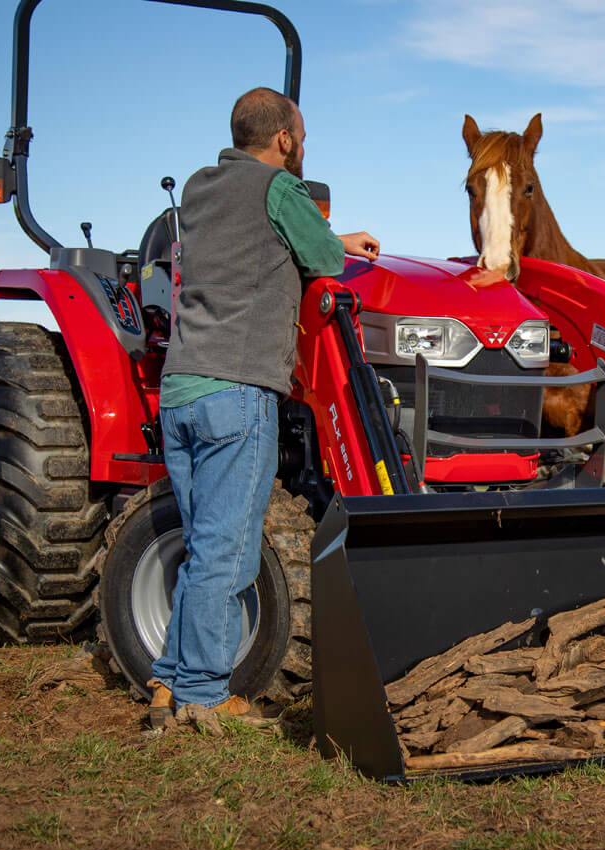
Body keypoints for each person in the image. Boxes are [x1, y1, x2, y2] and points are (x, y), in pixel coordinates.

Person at [147, 87, 380, 728]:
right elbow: (326, 257)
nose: (302, 146)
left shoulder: (198, 188)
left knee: (201, 547)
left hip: (180, 391)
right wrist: (340, 238)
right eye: (300, 135)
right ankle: (202, 694)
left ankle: (169, 684)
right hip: (236, 391)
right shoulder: (280, 189)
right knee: (229, 553)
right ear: (284, 140)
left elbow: (250, 239)